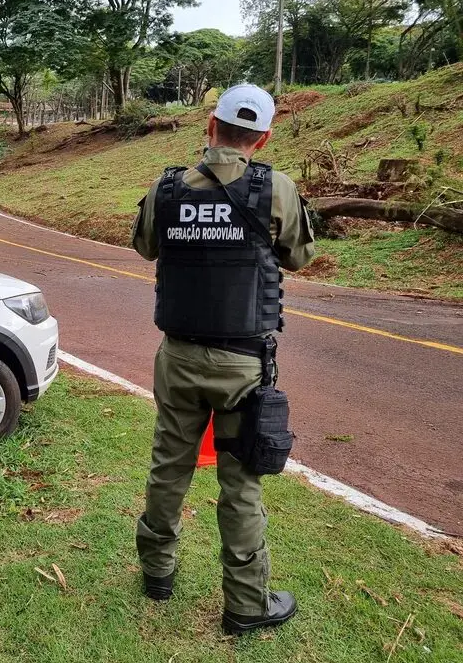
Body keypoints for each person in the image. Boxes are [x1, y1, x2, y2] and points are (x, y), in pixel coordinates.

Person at [130, 84, 316, 635]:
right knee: (241, 485)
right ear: (264, 135)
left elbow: (145, 248)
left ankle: (156, 573)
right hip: (242, 367)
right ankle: (245, 605)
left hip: (179, 358)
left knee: (170, 465)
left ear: (210, 125)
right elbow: (300, 257)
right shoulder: (276, 189)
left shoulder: (166, 188)